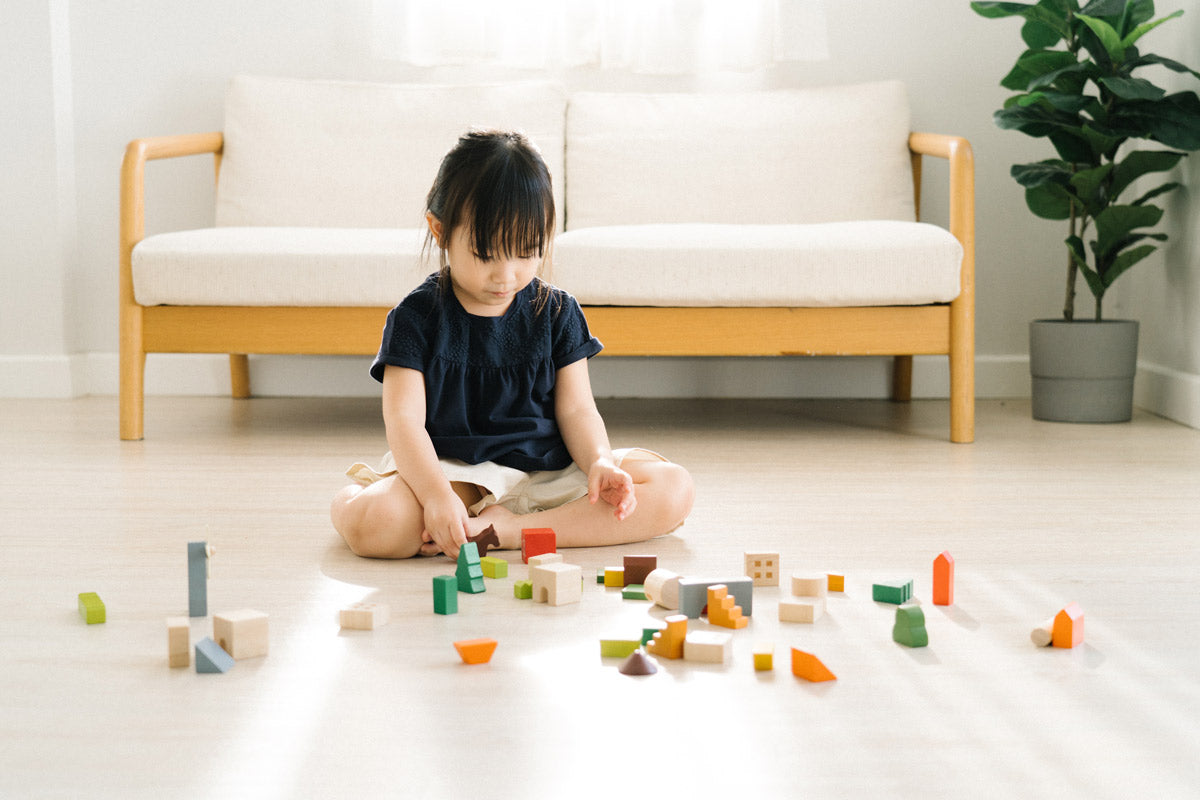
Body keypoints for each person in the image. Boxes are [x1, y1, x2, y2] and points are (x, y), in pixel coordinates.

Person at [331, 130, 694, 559]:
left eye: (526, 252)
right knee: (380, 524)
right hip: (458, 477)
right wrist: (434, 497)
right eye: (486, 255)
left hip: (551, 470)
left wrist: (599, 461)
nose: (506, 275)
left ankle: (511, 530)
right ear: (440, 230)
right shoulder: (416, 318)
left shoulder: (558, 312)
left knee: (675, 488)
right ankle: (359, 496)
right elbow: (404, 422)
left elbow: (577, 410)